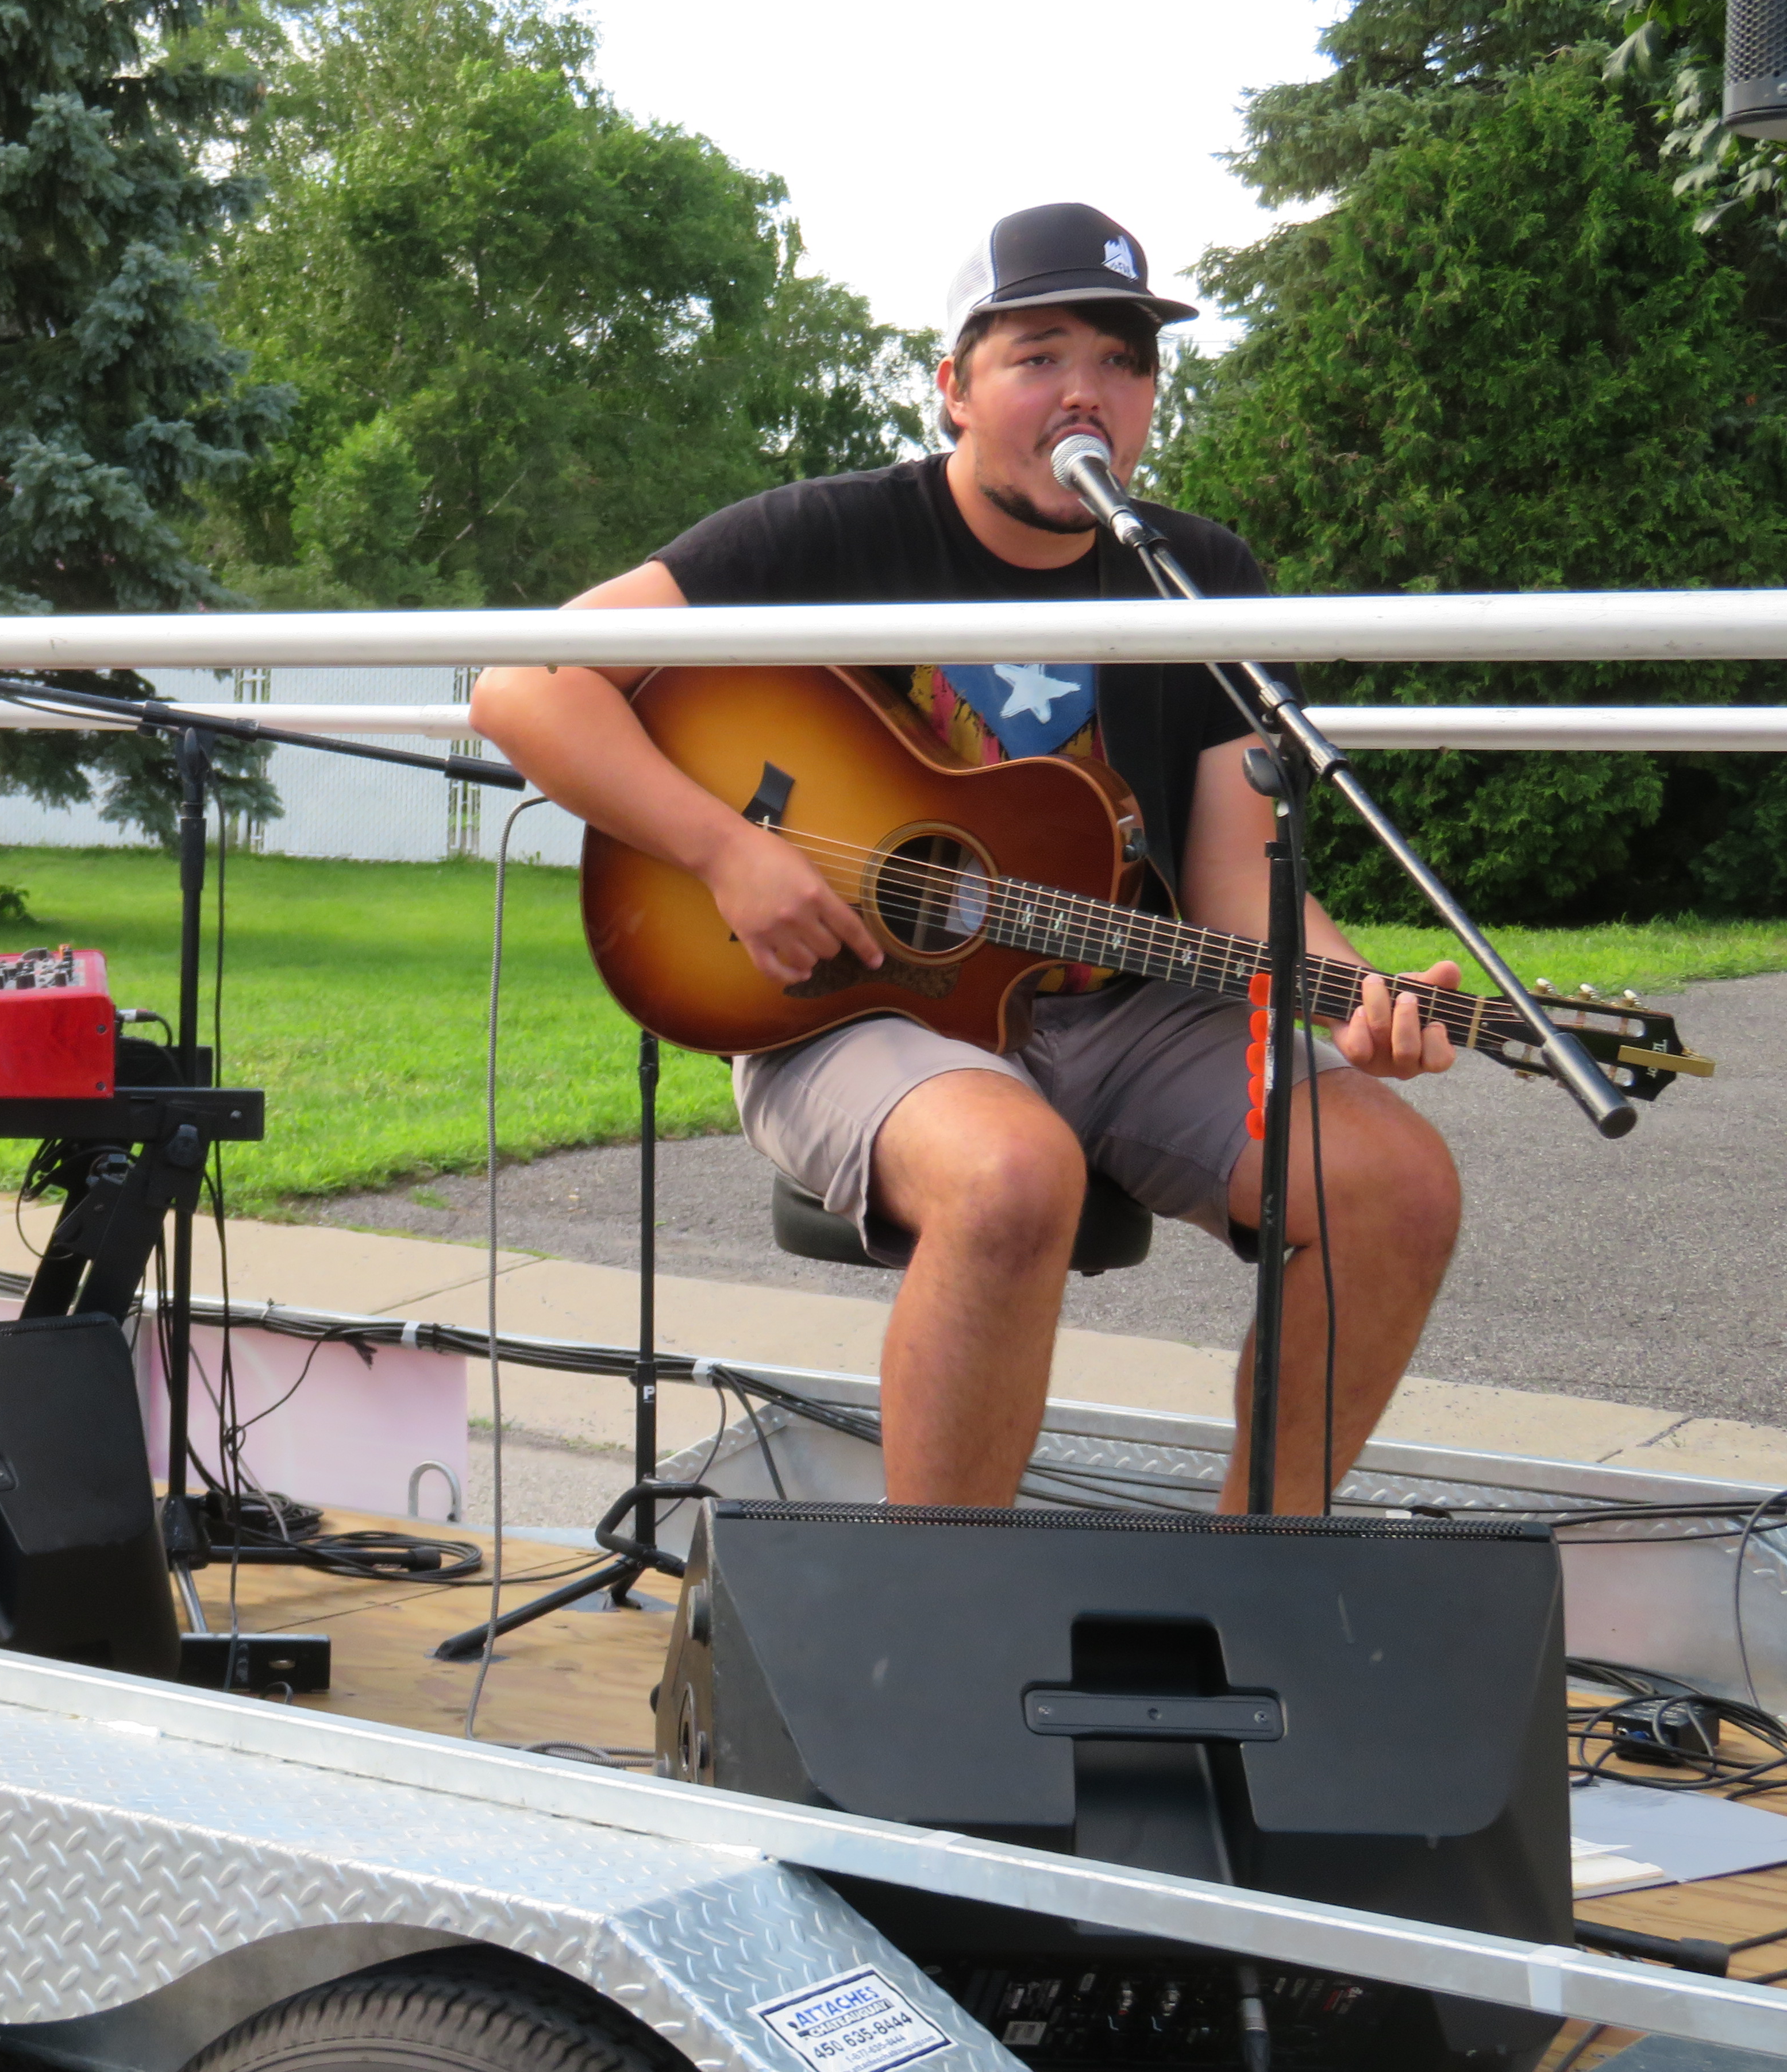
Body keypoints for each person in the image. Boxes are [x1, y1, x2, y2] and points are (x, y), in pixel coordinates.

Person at [469, 203, 1464, 1513]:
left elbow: (1236, 879)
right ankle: (942, 1619)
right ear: (954, 387)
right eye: (1040, 357)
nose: (1086, 395)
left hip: (1123, 1005)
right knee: (1010, 1170)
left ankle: (1255, 1581)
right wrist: (729, 854)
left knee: (1397, 1182)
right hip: (854, 998)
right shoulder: (820, 538)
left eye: (1123, 362)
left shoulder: (1198, 579)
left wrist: (1354, 1002)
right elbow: (522, 685)